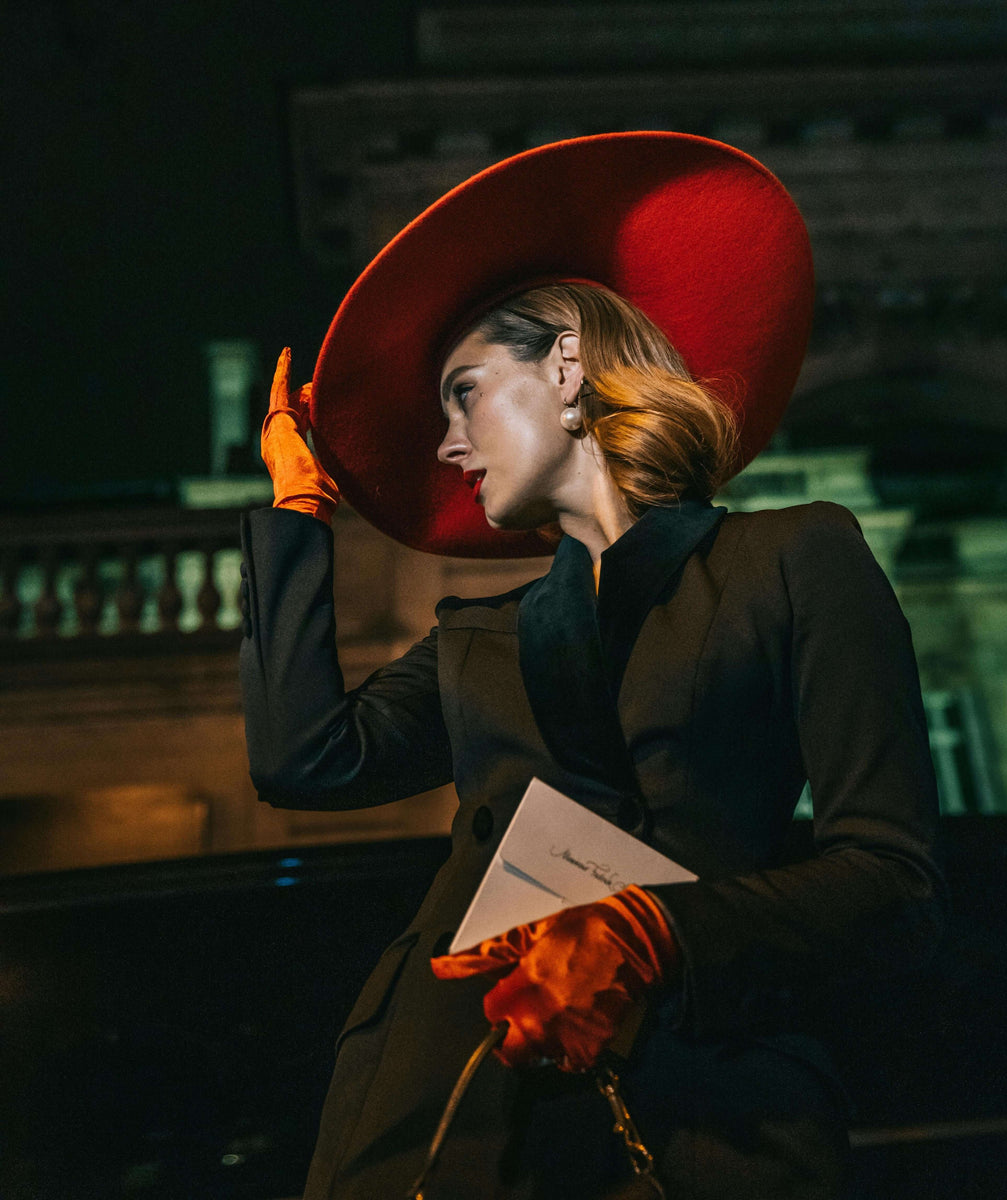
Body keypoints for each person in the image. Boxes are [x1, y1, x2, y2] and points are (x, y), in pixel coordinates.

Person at [239, 133, 945, 1199]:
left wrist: (649, 932)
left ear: (566, 364)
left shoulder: (791, 559)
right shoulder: (478, 634)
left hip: (704, 1113)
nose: (445, 445)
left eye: (463, 391)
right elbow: (301, 760)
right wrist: (297, 510)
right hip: (443, 1115)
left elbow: (891, 880)